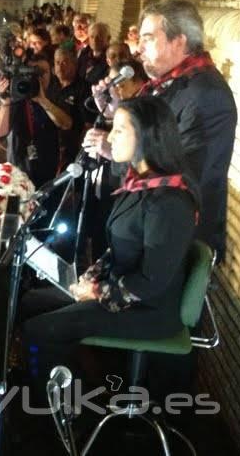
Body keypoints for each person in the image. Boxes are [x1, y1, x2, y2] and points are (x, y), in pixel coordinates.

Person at [21, 96, 199, 400]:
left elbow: (150, 284)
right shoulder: (139, 183)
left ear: (145, 135)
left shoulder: (169, 202)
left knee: (41, 330)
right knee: (29, 302)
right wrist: (91, 277)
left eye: (119, 129)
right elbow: (117, 248)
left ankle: (64, 412)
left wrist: (97, 293)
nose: (109, 136)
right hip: (122, 291)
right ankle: (73, 383)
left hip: (148, 311)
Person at [84, 0, 237, 262]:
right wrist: (116, 113)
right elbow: (154, 138)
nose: (138, 49)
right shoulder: (170, 84)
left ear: (179, 41)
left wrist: (115, 151)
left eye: (148, 39)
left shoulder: (206, 95)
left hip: (173, 245)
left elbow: (184, 175)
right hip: (149, 228)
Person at [0, 55, 73, 187]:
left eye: (42, 72)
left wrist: (43, 101)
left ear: (50, 73)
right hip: (19, 173)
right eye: (32, 72)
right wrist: (5, 101)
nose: (38, 77)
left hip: (49, 172)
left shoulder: (55, 96)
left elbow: (66, 124)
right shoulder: (14, 97)